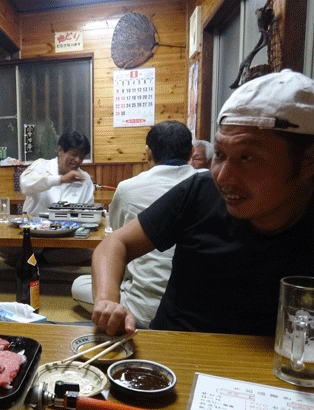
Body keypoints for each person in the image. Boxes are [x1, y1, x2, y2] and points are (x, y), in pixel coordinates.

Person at [91, 70, 314, 337]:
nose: (223, 176)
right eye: (219, 154)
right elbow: (115, 243)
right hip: (172, 353)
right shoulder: (200, 191)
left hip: (272, 371)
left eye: (247, 158)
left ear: (307, 163)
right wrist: (107, 301)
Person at [72, 121, 199, 328]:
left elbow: (115, 239)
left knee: (82, 283)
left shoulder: (129, 188)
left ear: (148, 153)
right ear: (192, 152)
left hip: (143, 312)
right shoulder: (206, 185)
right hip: (193, 314)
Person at [0, 130, 94, 265]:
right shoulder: (41, 165)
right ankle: (46, 258)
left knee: (90, 249)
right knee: (1, 245)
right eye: (74, 154)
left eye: (81, 157)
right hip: (33, 235)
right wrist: (60, 179)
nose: (78, 160)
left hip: (65, 239)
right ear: (60, 150)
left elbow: (88, 213)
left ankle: (35, 259)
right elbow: (25, 185)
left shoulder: (85, 179)